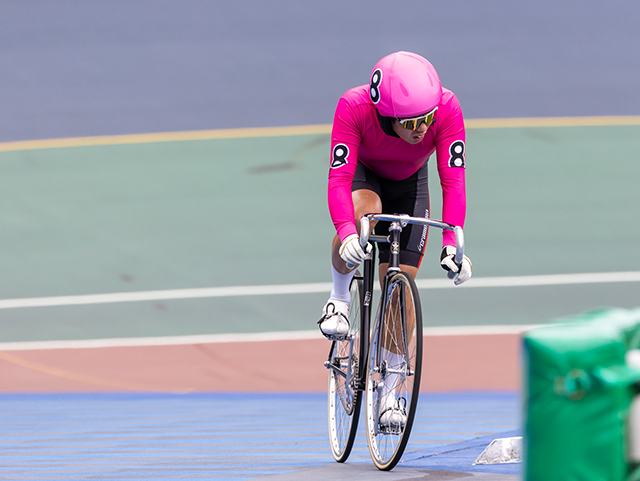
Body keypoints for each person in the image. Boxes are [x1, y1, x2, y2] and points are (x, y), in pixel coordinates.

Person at [317, 51, 473, 427]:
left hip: (411, 185)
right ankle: (338, 300)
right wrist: (346, 232)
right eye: (413, 121)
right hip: (365, 177)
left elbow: (453, 181)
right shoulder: (353, 108)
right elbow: (338, 180)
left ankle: (389, 394)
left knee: (400, 290)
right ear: (387, 115)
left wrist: (452, 243)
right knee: (364, 211)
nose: (423, 127)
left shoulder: (447, 109)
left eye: (428, 117)